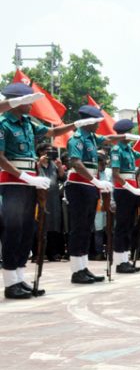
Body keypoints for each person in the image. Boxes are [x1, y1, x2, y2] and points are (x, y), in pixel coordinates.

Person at [0, 83, 77, 299]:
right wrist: (24, 176)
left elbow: (51, 131)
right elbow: (1, 158)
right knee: (13, 231)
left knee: (27, 230)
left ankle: (19, 277)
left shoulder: (28, 123)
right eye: (28, 101)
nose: (32, 105)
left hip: (29, 182)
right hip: (13, 182)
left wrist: (73, 125)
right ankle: (9, 282)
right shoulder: (3, 123)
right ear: (16, 102)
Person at [65, 105, 122, 284]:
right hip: (79, 186)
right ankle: (76, 270)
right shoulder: (77, 139)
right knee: (78, 228)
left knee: (86, 228)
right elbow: (76, 163)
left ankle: (83, 267)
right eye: (97, 121)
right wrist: (96, 181)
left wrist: (126, 137)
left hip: (89, 187)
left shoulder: (91, 138)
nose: (99, 125)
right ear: (87, 122)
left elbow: (108, 139)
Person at [109, 119, 140, 273]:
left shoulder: (128, 149)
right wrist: (132, 189)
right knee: (121, 226)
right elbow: (116, 175)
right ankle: (119, 261)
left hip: (131, 191)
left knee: (129, 225)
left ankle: (125, 259)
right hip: (123, 191)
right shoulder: (117, 149)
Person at [35, 143, 67, 261]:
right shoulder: (35, 163)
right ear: (40, 152)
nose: (48, 153)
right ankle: (39, 253)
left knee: (54, 226)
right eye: (46, 151)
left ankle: (54, 253)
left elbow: (63, 178)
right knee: (40, 225)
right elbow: (33, 175)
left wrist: (59, 166)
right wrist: (39, 163)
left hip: (54, 200)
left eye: (51, 151)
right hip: (40, 199)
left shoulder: (53, 164)